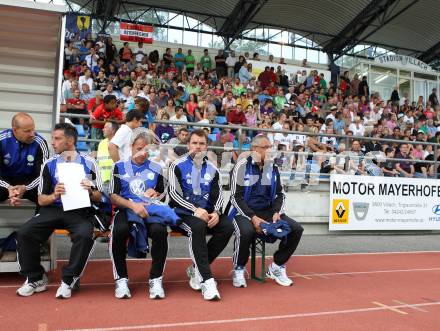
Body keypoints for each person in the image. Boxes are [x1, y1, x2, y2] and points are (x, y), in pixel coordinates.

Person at [16, 123, 103, 298]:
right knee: (25, 232)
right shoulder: (49, 164)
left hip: (79, 211)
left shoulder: (90, 162)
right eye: (53, 138)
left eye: (57, 138)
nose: (53, 143)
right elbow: (41, 199)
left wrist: (90, 191)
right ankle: (35, 278)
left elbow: (100, 197)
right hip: (53, 210)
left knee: (85, 235)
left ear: (70, 141)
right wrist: (54, 195)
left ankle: (68, 280)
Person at [228, 135, 303, 288]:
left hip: (268, 210)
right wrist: (253, 217)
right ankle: (239, 268)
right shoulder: (242, 166)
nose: (269, 150)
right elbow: (236, 197)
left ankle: (276, 267)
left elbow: (280, 194)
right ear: (255, 149)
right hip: (243, 211)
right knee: (246, 231)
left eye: (270, 147)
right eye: (266, 147)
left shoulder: (272, 167)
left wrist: (276, 212)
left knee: (296, 229)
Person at [168, 129, 234, 300]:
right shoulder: (176, 165)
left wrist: (217, 212)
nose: (198, 147)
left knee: (227, 226)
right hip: (182, 213)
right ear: (188, 145)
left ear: (206, 146)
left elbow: (219, 194)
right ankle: (207, 280)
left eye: (201, 144)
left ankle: (196, 269)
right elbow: (174, 195)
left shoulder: (213, 169)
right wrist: (194, 209)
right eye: (194, 143)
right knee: (197, 226)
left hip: (207, 213)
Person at [109, 131, 171, 299]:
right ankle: (121, 279)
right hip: (126, 209)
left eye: (147, 150)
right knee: (119, 231)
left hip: (150, 209)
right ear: (131, 147)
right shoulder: (119, 166)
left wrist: (156, 194)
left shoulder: (157, 168)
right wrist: (132, 205)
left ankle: (156, 279)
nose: (143, 153)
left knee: (160, 231)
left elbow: (163, 194)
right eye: (139, 148)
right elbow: (113, 195)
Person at [0, 113, 49, 205]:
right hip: (5, 183)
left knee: (46, 190)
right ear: (15, 130)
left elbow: (43, 174)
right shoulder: (2, 140)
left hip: (28, 185)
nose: (32, 134)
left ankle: (39, 218)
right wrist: (8, 187)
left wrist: (25, 187)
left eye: (33, 129)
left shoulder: (40, 142)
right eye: (27, 131)